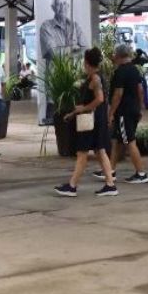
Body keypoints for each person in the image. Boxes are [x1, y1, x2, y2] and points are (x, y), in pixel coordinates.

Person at [54, 47, 118, 197]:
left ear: (87, 62)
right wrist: (74, 112)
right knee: (100, 151)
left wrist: (82, 109)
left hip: (90, 122)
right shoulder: (97, 77)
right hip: (97, 120)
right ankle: (110, 185)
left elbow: (99, 99)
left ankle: (72, 186)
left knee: (82, 153)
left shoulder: (94, 79)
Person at [93, 44, 148, 184]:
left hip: (124, 112)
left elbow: (118, 94)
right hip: (133, 110)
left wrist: (110, 113)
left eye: (114, 55)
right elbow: (140, 90)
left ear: (118, 56)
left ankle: (141, 173)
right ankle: (110, 170)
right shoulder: (134, 70)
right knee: (118, 141)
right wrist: (140, 107)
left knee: (129, 141)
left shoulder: (121, 72)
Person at [39, 0, 88, 123]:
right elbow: (54, 53)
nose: (62, 7)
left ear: (68, 6)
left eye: (64, 3)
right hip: (55, 84)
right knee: (56, 123)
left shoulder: (75, 25)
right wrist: (73, 48)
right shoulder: (46, 26)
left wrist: (65, 50)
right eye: (58, 4)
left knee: (74, 122)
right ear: (53, 7)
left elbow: (85, 49)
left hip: (74, 79)